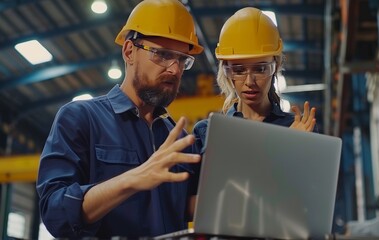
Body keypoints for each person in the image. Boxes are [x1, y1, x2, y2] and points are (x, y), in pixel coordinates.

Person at [36, 0, 203, 238]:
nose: (175, 70)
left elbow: (184, 209)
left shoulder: (180, 140)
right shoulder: (81, 118)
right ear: (128, 51)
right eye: (163, 54)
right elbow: (56, 213)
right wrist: (134, 178)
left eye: (182, 59)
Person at [190, 7, 318, 196]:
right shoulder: (205, 133)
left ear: (275, 67)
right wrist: (285, 147)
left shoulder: (298, 128)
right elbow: (192, 204)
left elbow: (311, 198)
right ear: (226, 71)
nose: (250, 82)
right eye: (239, 70)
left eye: (260, 69)